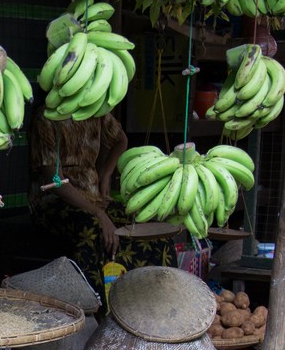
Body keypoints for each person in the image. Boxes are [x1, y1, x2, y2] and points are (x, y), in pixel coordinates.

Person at [28, 106, 178, 299]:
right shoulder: (46, 117)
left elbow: (120, 140)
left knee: (148, 228)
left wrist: (106, 174)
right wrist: (99, 214)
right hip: (52, 201)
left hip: (94, 198)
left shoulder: (94, 109)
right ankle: (95, 308)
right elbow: (55, 182)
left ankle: (158, 301)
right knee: (94, 231)